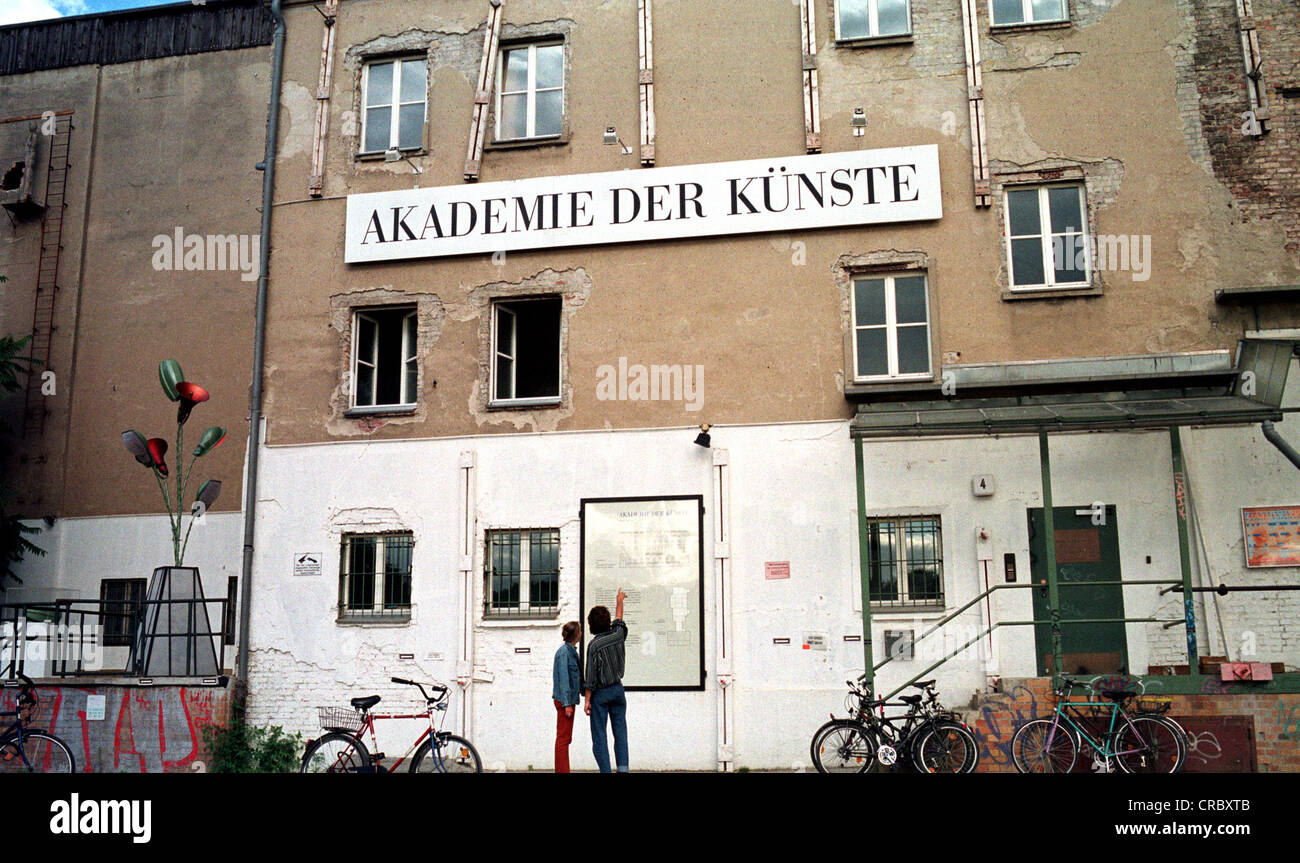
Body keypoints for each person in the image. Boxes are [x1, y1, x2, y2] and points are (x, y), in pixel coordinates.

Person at [583, 587, 629, 773]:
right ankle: (623, 769)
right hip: (618, 690)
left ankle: (605, 770)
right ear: (607, 622)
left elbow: (591, 677)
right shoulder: (618, 635)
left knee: (600, 736)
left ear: (591, 625)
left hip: (600, 694)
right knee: (620, 733)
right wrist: (620, 600)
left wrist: (587, 699)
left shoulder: (594, 645)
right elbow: (620, 620)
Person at [551, 620, 582, 773]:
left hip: (567, 700)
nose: (581, 633)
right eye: (580, 631)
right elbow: (564, 678)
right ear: (576, 634)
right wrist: (567, 704)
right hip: (565, 701)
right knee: (563, 739)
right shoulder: (564, 653)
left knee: (565, 738)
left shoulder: (570, 651)